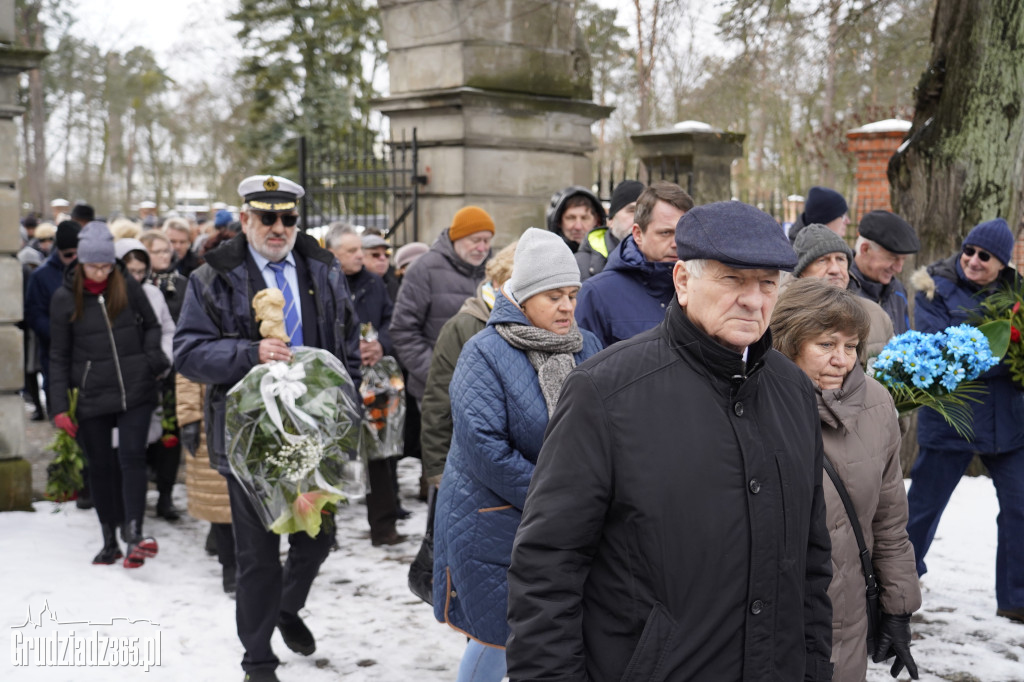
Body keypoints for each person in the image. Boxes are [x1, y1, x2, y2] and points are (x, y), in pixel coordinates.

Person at [506, 201, 833, 682]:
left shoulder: (793, 390)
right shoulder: (606, 392)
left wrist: (811, 669)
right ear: (682, 281)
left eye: (767, 283)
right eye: (732, 280)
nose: (753, 299)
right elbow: (548, 566)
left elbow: (811, 561)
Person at [174, 175, 361, 682]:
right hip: (249, 435)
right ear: (246, 219)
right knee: (257, 555)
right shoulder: (212, 276)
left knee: (317, 539)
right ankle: (257, 660)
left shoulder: (321, 268)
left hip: (315, 430)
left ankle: (285, 606)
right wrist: (247, 353)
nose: (279, 228)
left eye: (288, 218)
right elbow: (188, 353)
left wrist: (348, 413)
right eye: (267, 217)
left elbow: (346, 346)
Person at [433, 227, 602, 681]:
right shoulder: (484, 353)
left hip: (571, 521)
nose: (567, 307)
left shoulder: (587, 347)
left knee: (553, 640)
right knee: (499, 640)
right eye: (553, 296)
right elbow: (487, 450)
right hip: (495, 521)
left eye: (572, 294)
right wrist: (564, 501)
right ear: (523, 298)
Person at [772, 278, 922, 680]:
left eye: (851, 346)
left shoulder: (876, 403)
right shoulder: (755, 403)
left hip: (850, 617)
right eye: (826, 345)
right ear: (788, 342)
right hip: (772, 621)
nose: (842, 359)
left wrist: (898, 607)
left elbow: (889, 520)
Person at [907, 217, 1024, 624]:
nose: (973, 260)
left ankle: (1016, 597)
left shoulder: (1018, 294)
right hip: (952, 419)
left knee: (1020, 506)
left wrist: (990, 344)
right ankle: (895, 586)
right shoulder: (932, 285)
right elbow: (942, 351)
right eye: (969, 251)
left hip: (1007, 424)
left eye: (985, 256)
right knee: (922, 509)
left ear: (1002, 264)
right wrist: (1001, 348)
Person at [48, 222, 169, 568]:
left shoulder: (126, 284)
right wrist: (59, 406)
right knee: (101, 466)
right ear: (82, 263)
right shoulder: (64, 298)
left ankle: (134, 535)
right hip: (91, 393)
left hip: (136, 388)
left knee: (132, 458)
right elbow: (58, 355)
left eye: (105, 265)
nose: (100, 272)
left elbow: (153, 325)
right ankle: (109, 541)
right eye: (93, 266)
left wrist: (151, 362)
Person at [325, 222, 406, 546]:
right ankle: (324, 530)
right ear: (332, 254)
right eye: (353, 251)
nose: (361, 256)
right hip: (334, 377)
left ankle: (383, 528)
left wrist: (381, 344)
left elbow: (391, 322)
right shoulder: (321, 282)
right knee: (328, 453)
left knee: (380, 454)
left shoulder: (374, 283)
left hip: (373, 380)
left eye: (362, 250)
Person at [420, 241, 517, 487]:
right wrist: (437, 470)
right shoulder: (462, 326)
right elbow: (438, 401)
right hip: (466, 464)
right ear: (496, 283)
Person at [390, 206, 494, 404]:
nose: (482, 248)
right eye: (475, 240)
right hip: (437, 393)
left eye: (487, 241)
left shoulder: (493, 270)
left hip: (484, 391)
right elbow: (403, 331)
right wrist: (438, 374)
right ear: (457, 237)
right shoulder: (423, 270)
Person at [575, 181, 693, 347]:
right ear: (638, 234)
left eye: (682, 233)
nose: (676, 243)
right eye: (665, 233)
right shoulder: (596, 294)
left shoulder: (703, 289)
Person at [115, 238, 181, 521]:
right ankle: (129, 505)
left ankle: (163, 496)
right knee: (129, 449)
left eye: (141, 271)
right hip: (121, 383)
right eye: (131, 271)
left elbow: (168, 329)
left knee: (165, 442)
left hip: (157, 377)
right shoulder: (109, 296)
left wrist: (162, 360)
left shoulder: (153, 294)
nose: (137, 277)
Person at [792, 224, 894, 365]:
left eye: (840, 259)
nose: (835, 269)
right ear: (802, 272)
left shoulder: (876, 314)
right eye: (822, 260)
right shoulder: (784, 317)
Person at [177, 372, 237, 594]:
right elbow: (186, 368)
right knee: (218, 499)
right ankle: (230, 568)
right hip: (211, 410)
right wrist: (189, 416)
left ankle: (247, 563)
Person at [25, 221, 81, 417]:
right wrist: (60, 333)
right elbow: (34, 314)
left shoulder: (88, 270)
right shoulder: (41, 276)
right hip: (55, 352)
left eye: (78, 254)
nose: (74, 259)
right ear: (59, 251)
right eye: (68, 255)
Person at [849, 210, 920, 334]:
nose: (899, 269)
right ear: (865, 249)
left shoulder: (898, 290)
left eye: (903, 260)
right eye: (893, 258)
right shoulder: (840, 289)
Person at [575, 180, 644, 281]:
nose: (640, 218)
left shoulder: (664, 262)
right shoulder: (578, 265)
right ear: (610, 221)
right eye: (632, 211)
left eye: (645, 212)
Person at [141, 230, 190, 322]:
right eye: (157, 252)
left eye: (166, 251)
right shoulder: (138, 283)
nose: (164, 256)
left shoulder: (182, 282)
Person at [545, 185, 606, 253]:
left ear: (597, 220)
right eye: (571, 218)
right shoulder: (544, 255)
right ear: (558, 221)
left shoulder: (611, 255)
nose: (578, 227)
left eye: (585, 218)